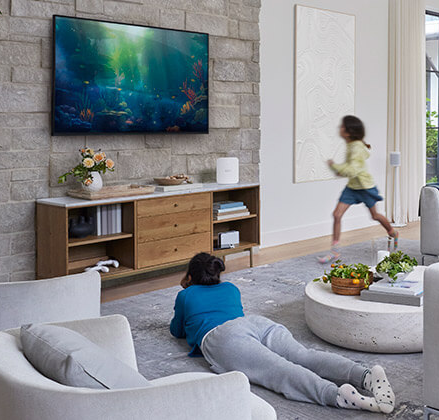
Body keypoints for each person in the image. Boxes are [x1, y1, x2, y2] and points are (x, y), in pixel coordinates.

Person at [170, 253, 396, 413]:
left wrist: (185, 288)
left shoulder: (186, 295)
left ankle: (335, 395)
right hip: (254, 323)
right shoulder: (231, 288)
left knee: (278, 369)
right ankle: (365, 375)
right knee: (303, 355)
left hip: (222, 337)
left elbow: (176, 330)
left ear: (190, 277)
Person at [321, 115, 398, 263]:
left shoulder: (356, 147)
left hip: (365, 187)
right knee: (337, 215)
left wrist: (335, 166)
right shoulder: (351, 145)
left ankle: (392, 232)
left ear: (348, 131)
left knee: (375, 216)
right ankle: (335, 251)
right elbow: (350, 169)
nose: (339, 129)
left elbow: (353, 169)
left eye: (342, 127)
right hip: (352, 187)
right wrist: (341, 169)